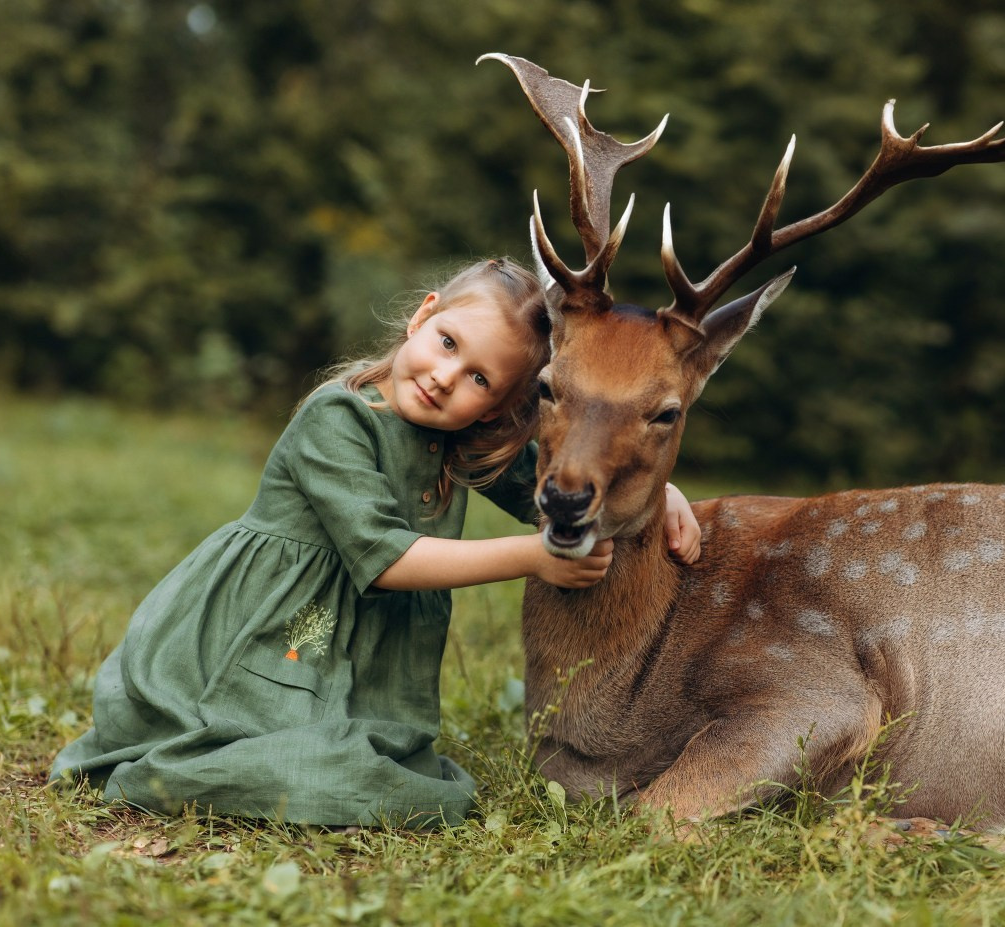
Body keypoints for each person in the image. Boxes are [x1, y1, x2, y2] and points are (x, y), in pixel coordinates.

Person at [51, 258, 701, 828]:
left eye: (479, 380)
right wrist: (533, 557)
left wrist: (658, 493)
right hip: (264, 644)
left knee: (402, 784)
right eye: (447, 343)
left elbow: (552, 483)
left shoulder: (462, 440)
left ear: (496, 408)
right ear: (423, 316)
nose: (446, 377)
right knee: (334, 776)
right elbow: (387, 559)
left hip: (343, 663)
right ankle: (163, 772)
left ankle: (318, 748)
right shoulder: (335, 420)